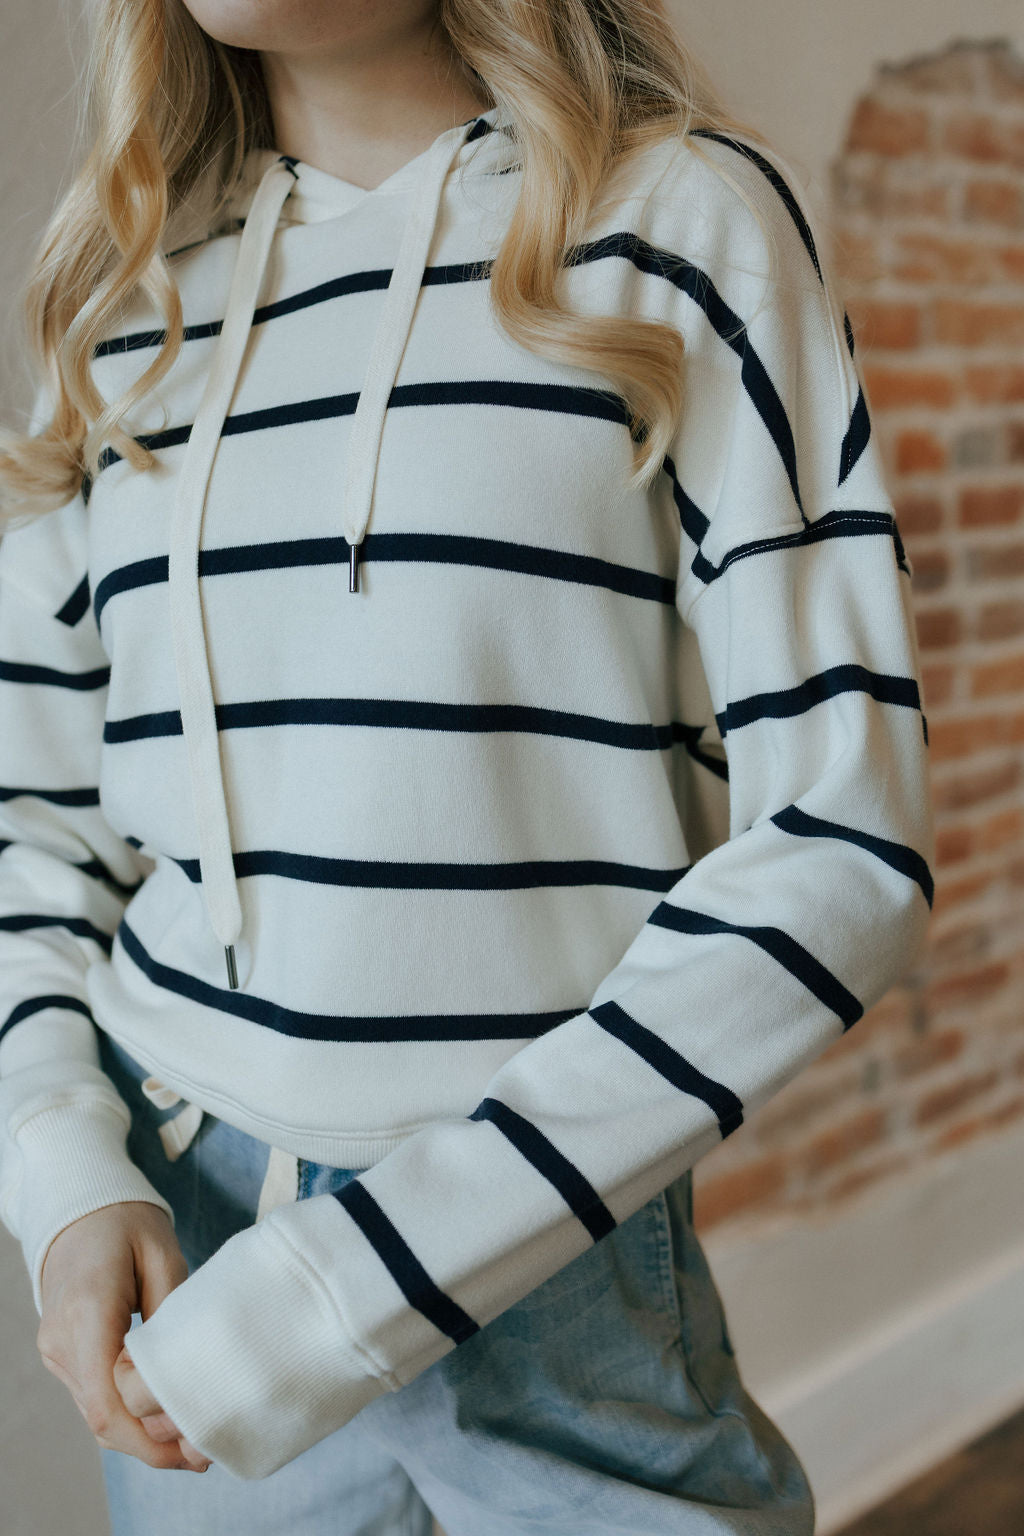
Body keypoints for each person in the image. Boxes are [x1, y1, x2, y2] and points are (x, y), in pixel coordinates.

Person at [0, 0, 935, 1531]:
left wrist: (355, 1286)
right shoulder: (123, 301)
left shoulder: (682, 221)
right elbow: (32, 835)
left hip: (548, 1251)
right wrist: (63, 1179)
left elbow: (845, 843)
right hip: (188, 1256)